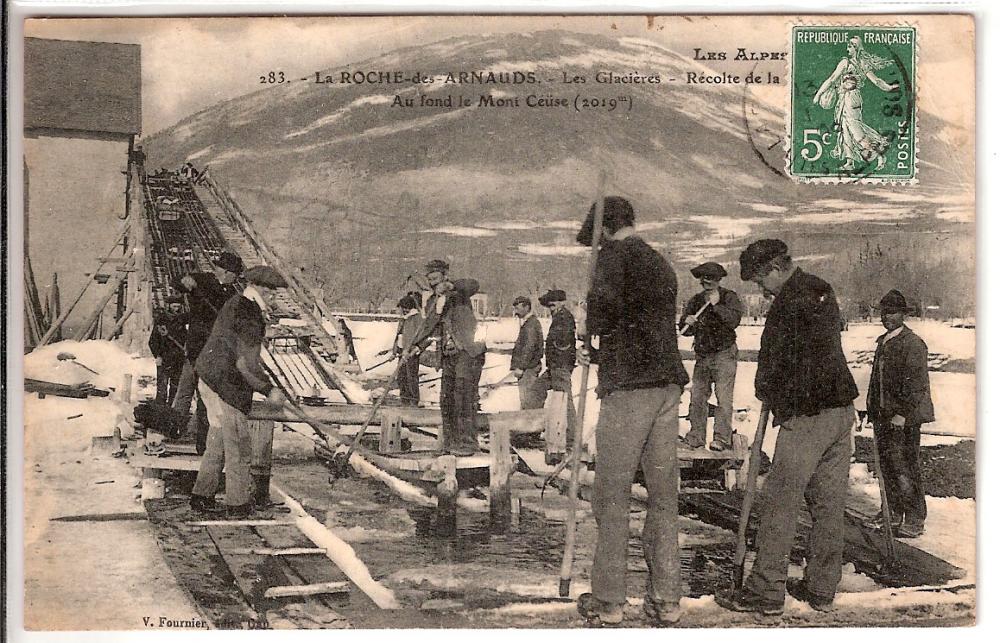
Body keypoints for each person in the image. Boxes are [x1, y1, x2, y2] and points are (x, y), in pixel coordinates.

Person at [715, 239, 859, 615]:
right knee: (829, 505)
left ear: (775, 269)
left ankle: (765, 591)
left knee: (780, 501)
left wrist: (767, 391)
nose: (760, 289)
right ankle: (822, 589)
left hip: (807, 417)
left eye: (761, 280)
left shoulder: (786, 306)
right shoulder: (820, 288)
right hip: (841, 413)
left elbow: (775, 362)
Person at [574, 196, 690, 626]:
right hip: (666, 388)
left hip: (628, 393)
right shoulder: (659, 262)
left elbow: (603, 318)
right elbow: (643, 327)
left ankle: (609, 601)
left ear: (603, 230)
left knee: (612, 495)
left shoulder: (611, 258)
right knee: (663, 498)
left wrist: (589, 328)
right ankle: (666, 599)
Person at [189, 266, 288, 517]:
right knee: (240, 446)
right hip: (226, 385)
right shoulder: (249, 313)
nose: (276, 299)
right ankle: (238, 505)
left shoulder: (237, 302)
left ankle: (201, 496)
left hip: (209, 377)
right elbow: (246, 364)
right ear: (262, 289)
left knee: (219, 440)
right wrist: (268, 390)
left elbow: (242, 354)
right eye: (274, 293)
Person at [866, 289, 934, 538]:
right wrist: (871, 410)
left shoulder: (913, 344)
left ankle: (915, 517)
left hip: (903, 419)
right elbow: (877, 382)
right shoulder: (883, 342)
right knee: (886, 466)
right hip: (884, 416)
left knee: (905, 467)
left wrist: (903, 415)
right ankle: (892, 512)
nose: (887, 317)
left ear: (903, 315)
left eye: (893, 313)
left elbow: (916, 386)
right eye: (884, 313)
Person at [406, 260, 485, 456]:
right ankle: (450, 444)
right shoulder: (433, 301)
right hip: (448, 355)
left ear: (444, 276)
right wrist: (416, 345)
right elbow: (429, 327)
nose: (433, 283)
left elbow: (473, 284)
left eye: (436, 279)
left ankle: (467, 444)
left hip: (468, 352)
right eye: (430, 280)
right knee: (446, 400)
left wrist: (451, 286)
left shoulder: (459, 293)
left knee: (463, 397)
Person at [171, 251, 244, 453]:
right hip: (195, 349)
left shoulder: (232, 296)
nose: (234, 278)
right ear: (226, 271)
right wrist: (183, 281)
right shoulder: (203, 279)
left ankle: (202, 446)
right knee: (184, 393)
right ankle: (173, 434)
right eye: (233, 273)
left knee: (206, 400)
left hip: (212, 355)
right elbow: (176, 282)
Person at [680, 262, 745, 451]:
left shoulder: (729, 297)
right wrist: (687, 321)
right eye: (703, 278)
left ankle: (721, 439)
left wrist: (717, 307)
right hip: (703, 356)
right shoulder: (695, 301)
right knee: (698, 397)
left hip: (724, 354)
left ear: (718, 280)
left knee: (723, 399)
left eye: (711, 278)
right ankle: (696, 437)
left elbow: (734, 321)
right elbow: (684, 331)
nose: (706, 282)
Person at [813, 36, 899, 171]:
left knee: (856, 132)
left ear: (856, 48)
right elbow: (876, 81)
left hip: (849, 99)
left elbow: (831, 79)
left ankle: (879, 155)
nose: (847, 49)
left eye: (850, 46)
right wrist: (888, 87)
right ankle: (850, 162)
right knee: (845, 130)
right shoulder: (862, 63)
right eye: (847, 46)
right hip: (851, 99)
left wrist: (818, 95)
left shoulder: (845, 63)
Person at [148, 295, 188, 405]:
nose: (177, 309)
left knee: (175, 388)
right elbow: (152, 341)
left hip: (178, 359)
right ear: (169, 306)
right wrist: (158, 356)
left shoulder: (181, 320)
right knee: (162, 389)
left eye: (179, 307)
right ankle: (159, 413)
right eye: (174, 306)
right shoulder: (161, 320)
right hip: (164, 358)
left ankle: (170, 412)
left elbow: (185, 338)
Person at [509, 295, 543, 409]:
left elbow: (529, 347)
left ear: (526, 307)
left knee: (527, 401)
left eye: (518, 308)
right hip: (528, 368)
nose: (516, 312)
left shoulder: (531, 325)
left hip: (528, 369)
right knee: (527, 400)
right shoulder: (529, 323)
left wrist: (521, 367)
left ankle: (529, 425)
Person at [393, 293, 423, 406]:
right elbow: (399, 336)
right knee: (401, 377)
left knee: (411, 377)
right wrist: (395, 351)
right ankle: (404, 400)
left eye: (403, 308)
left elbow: (420, 336)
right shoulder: (403, 319)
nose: (402, 310)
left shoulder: (416, 319)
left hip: (411, 353)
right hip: (402, 352)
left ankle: (413, 401)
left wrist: (412, 350)